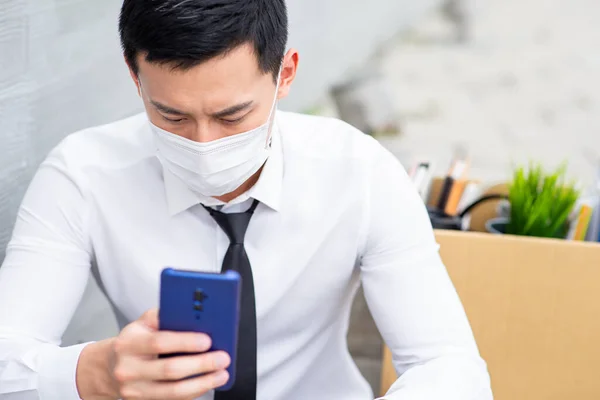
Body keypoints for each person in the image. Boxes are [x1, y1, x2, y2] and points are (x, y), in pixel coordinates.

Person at [0, 1, 493, 399]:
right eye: (171, 117)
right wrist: (92, 373)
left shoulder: (359, 173)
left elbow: (449, 366)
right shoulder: (83, 175)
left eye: (232, 117)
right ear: (135, 76)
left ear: (285, 74)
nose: (203, 143)